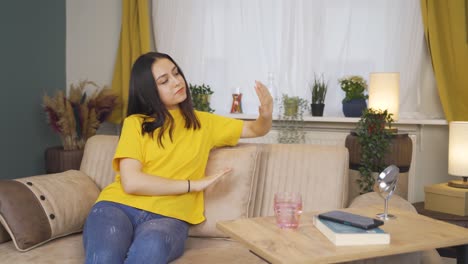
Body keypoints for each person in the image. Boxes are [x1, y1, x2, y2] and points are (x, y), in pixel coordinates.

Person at [82, 52, 272, 264]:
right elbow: (132, 182)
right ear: (149, 91)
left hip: (169, 218)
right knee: (105, 258)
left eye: (176, 73)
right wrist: (193, 185)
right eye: (164, 81)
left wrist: (265, 115)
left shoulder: (204, 123)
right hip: (116, 207)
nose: (176, 82)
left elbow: (256, 129)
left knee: (149, 252)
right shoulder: (135, 124)